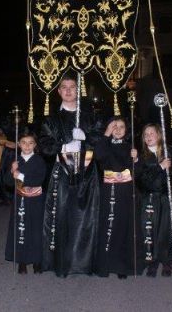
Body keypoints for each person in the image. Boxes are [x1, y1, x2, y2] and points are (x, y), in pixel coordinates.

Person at [39, 73, 103, 277]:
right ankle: (62, 264)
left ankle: (84, 264)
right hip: (63, 172)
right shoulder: (51, 119)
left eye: (72, 87)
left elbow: (100, 140)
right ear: (58, 91)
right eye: (64, 87)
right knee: (62, 216)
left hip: (87, 173)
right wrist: (65, 143)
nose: (68, 90)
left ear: (78, 90)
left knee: (86, 218)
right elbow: (46, 146)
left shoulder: (90, 116)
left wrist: (86, 138)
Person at [136, 122, 172, 277]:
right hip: (149, 199)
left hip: (165, 198)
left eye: (151, 133)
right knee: (150, 231)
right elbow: (143, 180)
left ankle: (166, 262)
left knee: (166, 231)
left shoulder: (168, 151)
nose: (148, 137)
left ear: (159, 135)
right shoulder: (141, 157)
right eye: (145, 135)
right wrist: (160, 167)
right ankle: (151, 262)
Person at [93, 117, 140, 279]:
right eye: (114, 126)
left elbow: (137, 171)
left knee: (123, 224)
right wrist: (106, 134)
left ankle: (121, 266)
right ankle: (105, 265)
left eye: (121, 126)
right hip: (108, 189)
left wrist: (136, 158)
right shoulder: (105, 145)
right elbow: (99, 156)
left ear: (127, 130)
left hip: (125, 190)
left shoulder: (130, 147)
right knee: (108, 224)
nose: (118, 129)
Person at [4, 132, 47, 274]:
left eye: (30, 143)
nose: (27, 146)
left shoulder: (39, 161)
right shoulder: (16, 161)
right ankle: (22, 261)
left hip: (35, 201)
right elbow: (7, 182)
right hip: (20, 200)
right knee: (20, 229)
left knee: (35, 229)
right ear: (19, 144)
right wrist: (12, 171)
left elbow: (38, 179)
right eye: (23, 142)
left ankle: (37, 261)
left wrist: (20, 175)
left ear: (35, 145)